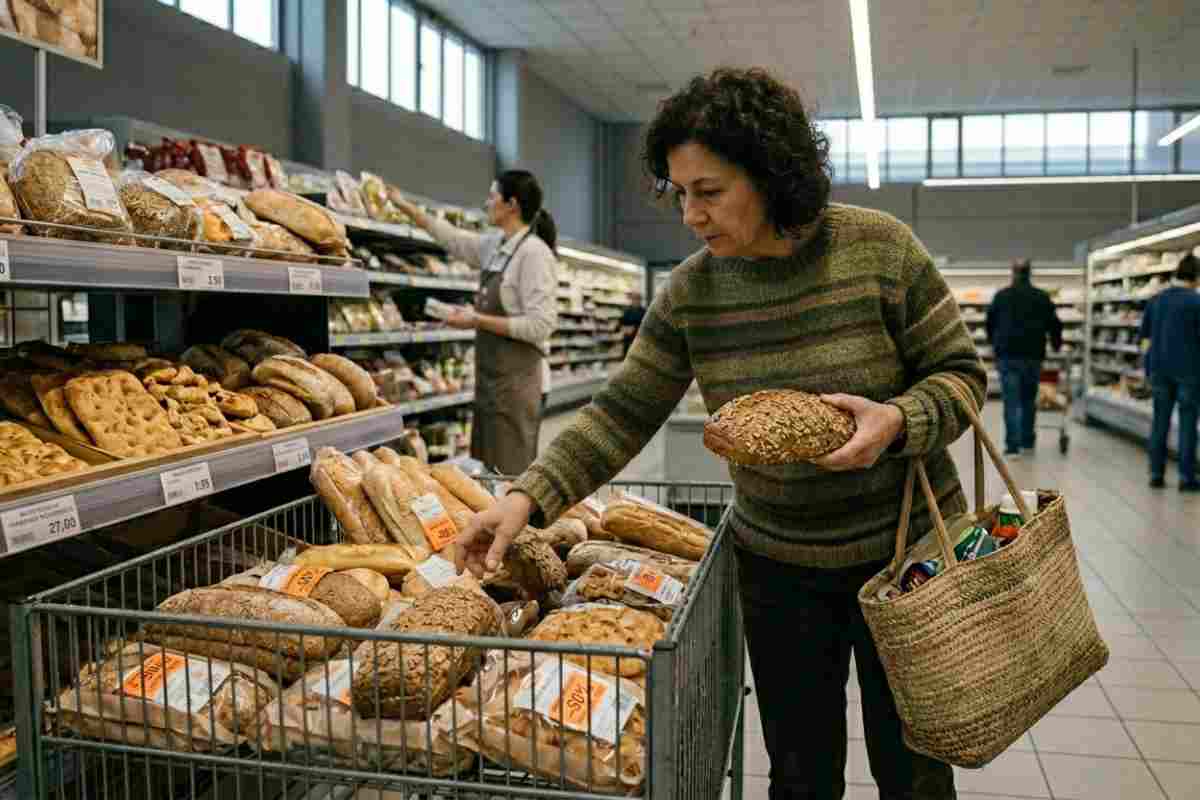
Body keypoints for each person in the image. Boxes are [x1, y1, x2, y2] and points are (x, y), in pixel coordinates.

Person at [455, 67, 984, 800]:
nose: (690, 215)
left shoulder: (880, 249)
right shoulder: (693, 292)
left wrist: (896, 421)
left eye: (708, 191)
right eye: (679, 193)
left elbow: (961, 377)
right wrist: (526, 498)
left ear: (771, 175)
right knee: (799, 773)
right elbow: (621, 411)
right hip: (780, 567)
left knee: (915, 767)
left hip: (908, 559)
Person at [393, 171, 558, 474]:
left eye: (492, 196)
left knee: (511, 472)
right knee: (489, 468)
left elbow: (541, 325)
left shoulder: (534, 254)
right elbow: (454, 239)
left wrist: (477, 320)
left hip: (517, 383)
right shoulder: (497, 246)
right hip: (491, 381)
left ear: (512, 204)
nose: (486, 203)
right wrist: (405, 207)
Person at [985, 259, 1063, 456]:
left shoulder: (1001, 296)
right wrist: (1056, 345)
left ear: (1013, 273)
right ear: (1029, 273)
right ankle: (1027, 440)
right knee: (1028, 399)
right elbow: (1055, 324)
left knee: (1011, 401)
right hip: (1033, 356)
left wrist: (993, 344)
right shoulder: (1041, 297)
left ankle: (1012, 446)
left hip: (1007, 356)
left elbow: (990, 323)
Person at [1140, 252, 1200, 491]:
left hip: (1159, 369)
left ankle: (1156, 473)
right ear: (1195, 277)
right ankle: (1186, 478)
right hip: (1189, 371)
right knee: (1187, 423)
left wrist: (1147, 368)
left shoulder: (1156, 300)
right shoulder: (1196, 302)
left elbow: (1145, 338)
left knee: (1160, 422)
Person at [619, 290, 646, 357]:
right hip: (627, 338)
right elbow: (621, 322)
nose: (635, 301)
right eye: (634, 299)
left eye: (637, 299)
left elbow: (645, 325)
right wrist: (624, 328)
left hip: (639, 339)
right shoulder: (627, 310)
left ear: (640, 300)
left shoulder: (644, 311)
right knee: (626, 355)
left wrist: (634, 328)